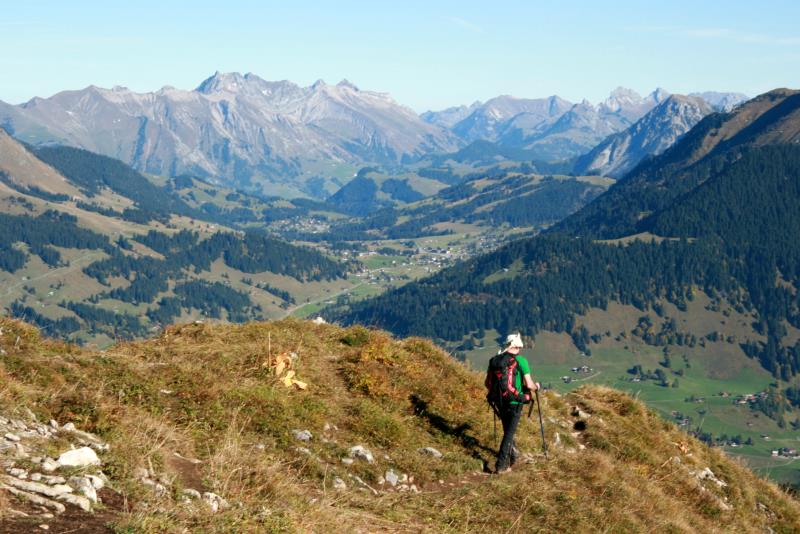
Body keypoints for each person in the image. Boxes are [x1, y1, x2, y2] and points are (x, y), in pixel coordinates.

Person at [485, 333, 540, 473]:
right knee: (509, 434)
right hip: (515, 401)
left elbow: (487, 383)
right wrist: (536, 387)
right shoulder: (521, 361)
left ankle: (513, 455)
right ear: (517, 346)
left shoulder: (494, 361)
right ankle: (501, 466)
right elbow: (529, 384)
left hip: (499, 400)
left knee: (508, 430)